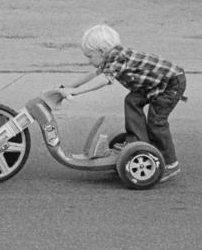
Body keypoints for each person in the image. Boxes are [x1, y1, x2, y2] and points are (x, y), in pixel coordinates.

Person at [58, 24, 187, 182]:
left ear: (101, 51)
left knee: (157, 122)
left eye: (89, 56)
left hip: (170, 84)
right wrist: (68, 87)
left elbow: (104, 80)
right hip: (152, 84)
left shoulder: (118, 57)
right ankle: (138, 141)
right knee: (132, 100)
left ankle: (170, 164)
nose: (89, 61)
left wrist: (77, 92)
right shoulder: (109, 57)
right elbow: (92, 75)